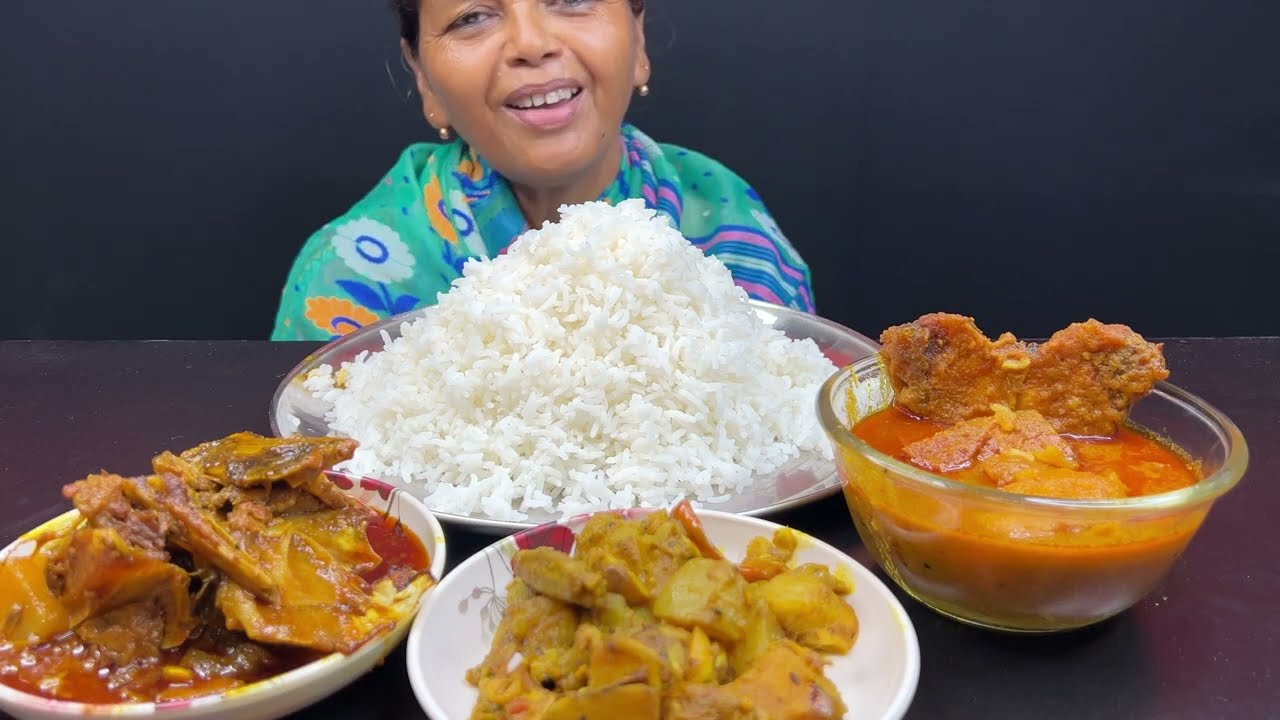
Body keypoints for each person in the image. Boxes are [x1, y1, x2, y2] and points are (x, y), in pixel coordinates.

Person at [272, 0, 815, 341]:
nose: (531, 45)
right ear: (423, 78)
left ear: (638, 35)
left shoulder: (729, 221)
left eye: (571, 0)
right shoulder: (348, 282)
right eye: (473, 18)